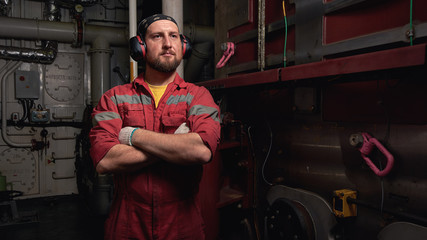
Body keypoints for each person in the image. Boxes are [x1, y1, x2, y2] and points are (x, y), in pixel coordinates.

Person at [89, 14, 221, 240]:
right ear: (140, 47)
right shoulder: (114, 98)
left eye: (174, 36)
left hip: (183, 224)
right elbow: (105, 160)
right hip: (127, 224)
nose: (168, 43)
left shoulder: (198, 96)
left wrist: (133, 135)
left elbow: (200, 151)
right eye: (157, 36)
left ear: (183, 45)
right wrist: (177, 145)